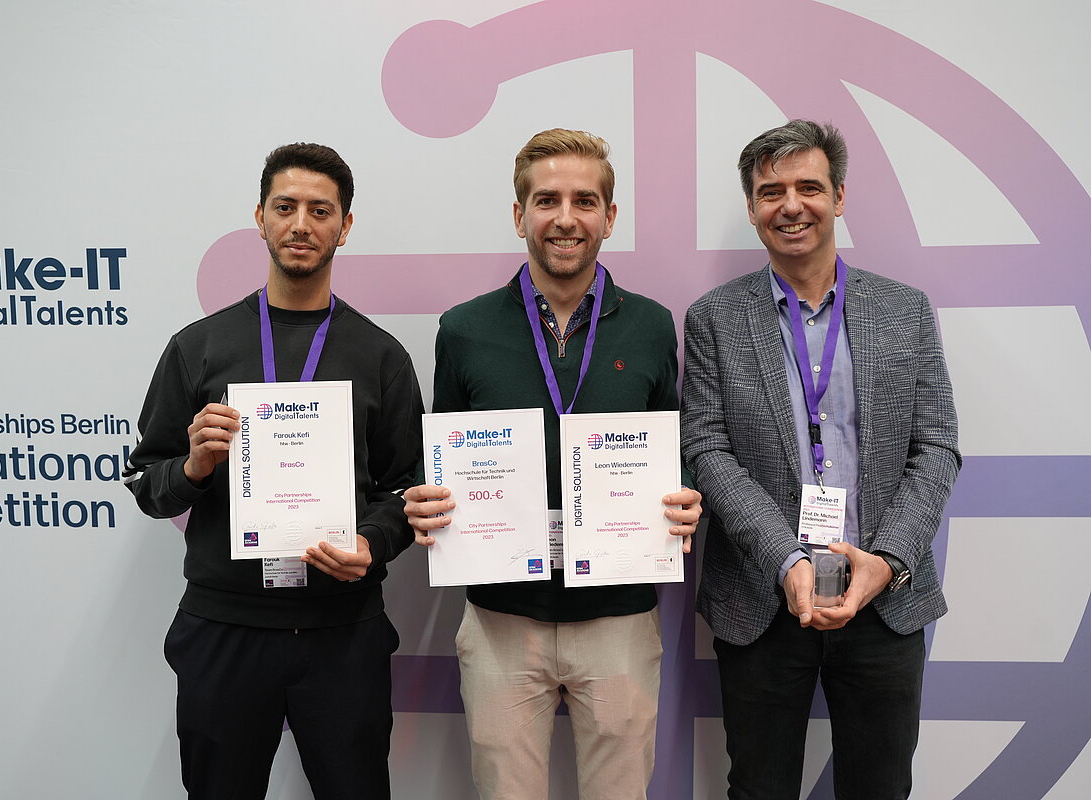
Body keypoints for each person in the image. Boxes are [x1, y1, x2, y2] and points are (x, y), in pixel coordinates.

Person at [403, 128, 702, 800]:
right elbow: (440, 460)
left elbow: (673, 454)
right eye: (546, 200)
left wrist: (682, 496)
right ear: (519, 215)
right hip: (502, 619)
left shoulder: (653, 325)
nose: (566, 218)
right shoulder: (464, 328)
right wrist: (426, 502)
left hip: (619, 618)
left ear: (609, 216)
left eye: (585, 201)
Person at [123, 143, 423, 799]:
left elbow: (405, 489)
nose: (301, 225)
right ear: (259, 218)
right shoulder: (198, 347)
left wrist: (371, 545)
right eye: (285, 207)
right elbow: (147, 482)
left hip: (342, 635)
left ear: (344, 226)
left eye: (321, 211)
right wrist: (196, 465)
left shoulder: (381, 357)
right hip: (225, 630)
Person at [681, 119, 961, 799]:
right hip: (760, 598)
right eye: (770, 191)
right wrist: (787, 559)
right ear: (752, 207)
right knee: (759, 788)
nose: (791, 205)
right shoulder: (713, 318)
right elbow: (707, 449)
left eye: (809, 186)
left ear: (839, 196)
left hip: (883, 600)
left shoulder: (905, 311)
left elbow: (937, 447)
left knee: (880, 787)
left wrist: (886, 560)